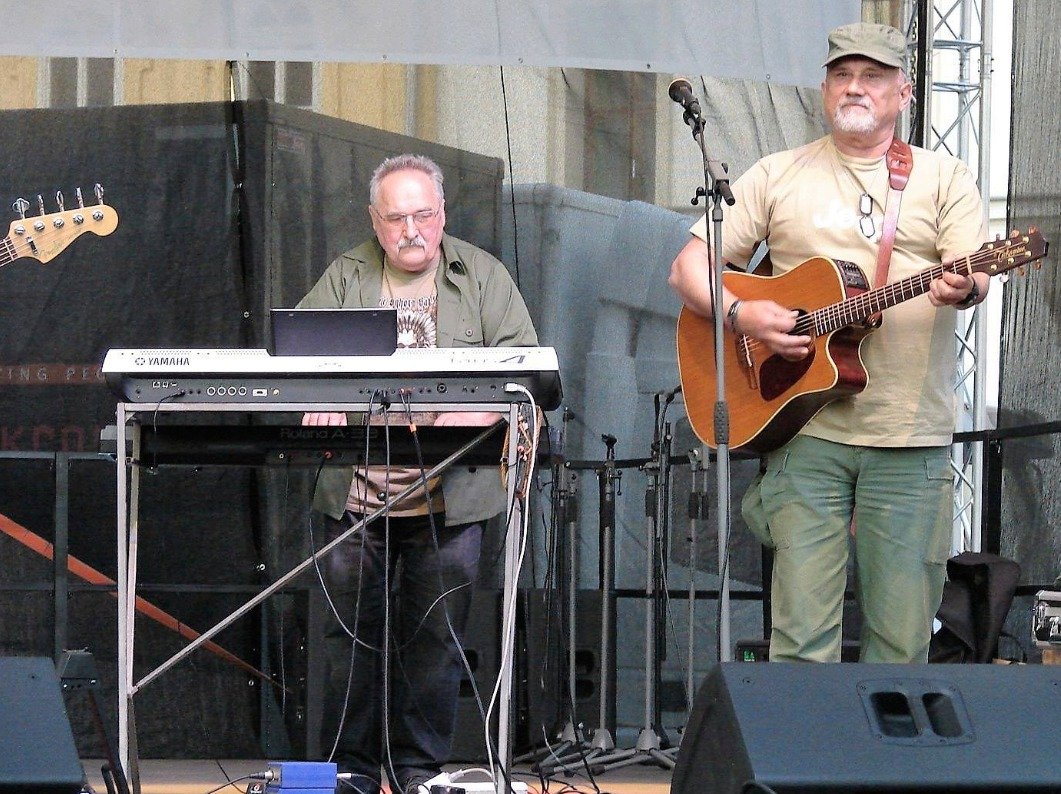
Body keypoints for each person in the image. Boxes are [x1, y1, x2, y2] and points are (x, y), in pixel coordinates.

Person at [668, 22, 988, 664]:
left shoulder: (942, 178)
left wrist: (967, 285)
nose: (855, 88)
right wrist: (743, 315)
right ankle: (801, 765)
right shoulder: (778, 174)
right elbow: (687, 270)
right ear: (823, 88)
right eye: (843, 75)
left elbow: (972, 269)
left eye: (872, 77)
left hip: (908, 439)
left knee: (900, 641)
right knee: (800, 638)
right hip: (804, 433)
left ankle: (886, 767)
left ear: (904, 92)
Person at [297, 153, 538, 793]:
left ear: (442, 217)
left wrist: (481, 404)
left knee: (435, 641)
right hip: (354, 493)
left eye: (423, 215)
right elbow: (291, 355)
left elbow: (528, 371)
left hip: (451, 494)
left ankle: (414, 772)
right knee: (349, 640)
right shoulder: (346, 275)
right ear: (375, 223)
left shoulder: (483, 276)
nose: (411, 230)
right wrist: (318, 398)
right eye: (396, 217)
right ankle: (349, 771)